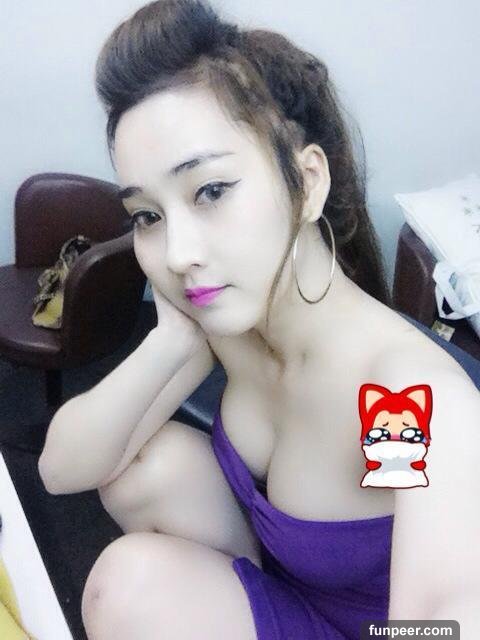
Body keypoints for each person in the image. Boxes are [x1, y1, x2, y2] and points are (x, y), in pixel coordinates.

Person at [37, 1, 480, 638]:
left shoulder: (400, 398)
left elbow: (443, 624)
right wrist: (172, 340)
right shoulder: (232, 329)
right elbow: (59, 472)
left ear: (307, 180)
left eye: (211, 191)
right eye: (147, 216)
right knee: (146, 467)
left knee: (127, 583)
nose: (178, 254)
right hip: (291, 590)